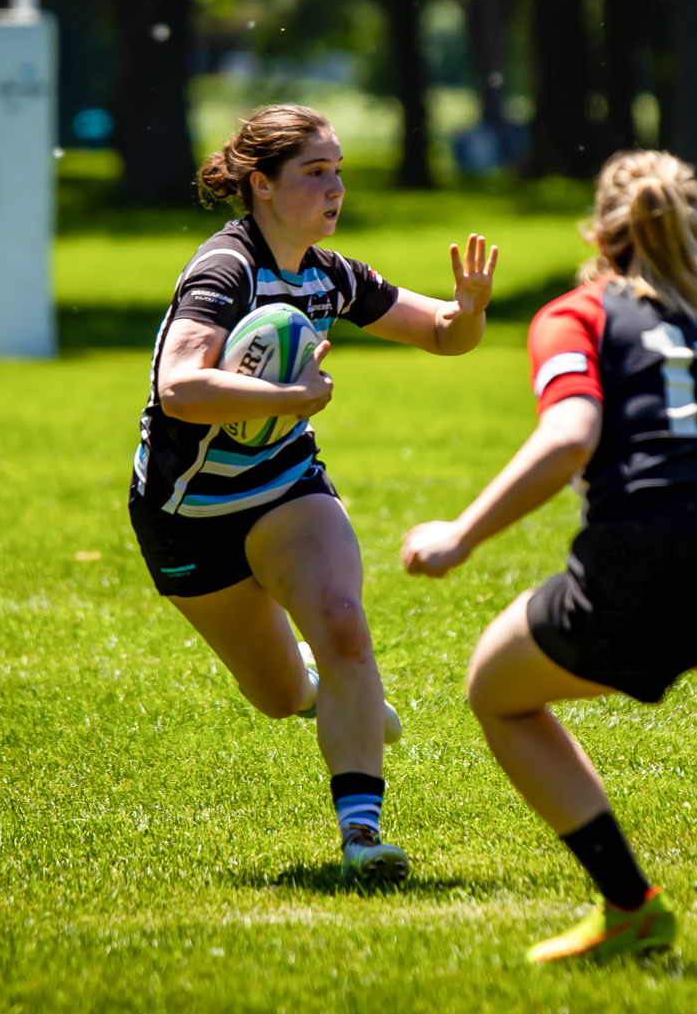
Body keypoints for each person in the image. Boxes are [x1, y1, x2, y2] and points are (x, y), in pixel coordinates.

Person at [399, 150, 697, 963]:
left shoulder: (576, 313)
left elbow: (569, 437)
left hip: (654, 546)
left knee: (498, 687)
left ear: (599, 231)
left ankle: (630, 905)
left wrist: (463, 533)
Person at [128, 103, 498, 881]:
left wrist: (467, 313)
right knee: (273, 691)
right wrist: (291, 400)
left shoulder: (329, 274)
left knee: (343, 624)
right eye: (315, 173)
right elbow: (180, 388)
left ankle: (361, 836)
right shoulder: (224, 269)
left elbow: (438, 332)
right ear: (262, 185)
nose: (335, 189)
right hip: (185, 512)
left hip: (286, 486)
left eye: (339, 172)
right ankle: (320, 691)